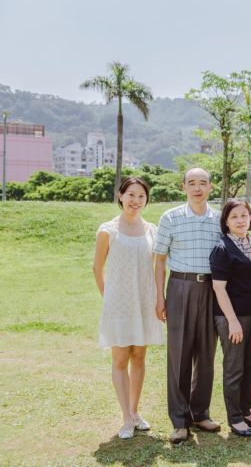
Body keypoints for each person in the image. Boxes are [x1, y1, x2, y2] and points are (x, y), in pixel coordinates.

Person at [153, 167, 222, 444]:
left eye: (202, 183)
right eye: (192, 183)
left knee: (206, 354)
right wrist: (160, 297)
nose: (197, 188)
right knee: (179, 355)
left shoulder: (219, 218)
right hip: (180, 287)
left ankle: (200, 413)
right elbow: (159, 260)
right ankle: (180, 421)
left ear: (210, 187)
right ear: (183, 186)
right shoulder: (170, 217)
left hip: (212, 289)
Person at [93, 177, 164, 440]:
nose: (136, 200)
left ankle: (135, 412)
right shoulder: (108, 230)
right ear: (120, 196)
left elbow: (158, 267)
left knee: (139, 358)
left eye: (141, 196)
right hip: (119, 306)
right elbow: (97, 268)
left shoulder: (152, 230)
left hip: (144, 303)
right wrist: (109, 298)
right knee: (121, 359)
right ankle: (125, 418)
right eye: (131, 195)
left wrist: (159, 299)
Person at [209, 199, 251, 437]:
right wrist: (232, 321)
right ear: (226, 222)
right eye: (234, 217)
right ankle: (234, 418)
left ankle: (245, 411)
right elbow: (219, 288)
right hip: (232, 318)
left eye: (244, 215)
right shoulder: (222, 248)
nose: (240, 220)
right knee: (234, 368)